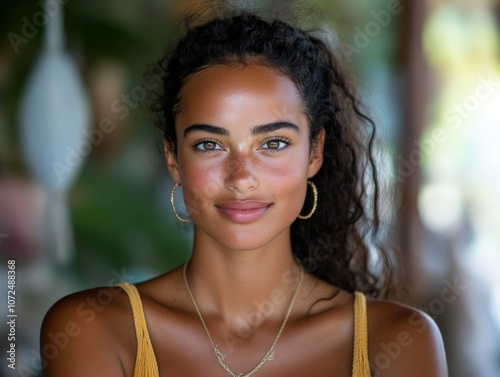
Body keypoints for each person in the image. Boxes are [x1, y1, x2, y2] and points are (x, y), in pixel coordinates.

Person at [40, 5, 448, 377]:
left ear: (314, 153)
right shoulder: (94, 329)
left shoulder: (398, 341)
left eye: (273, 144)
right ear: (172, 158)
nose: (241, 177)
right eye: (209, 145)